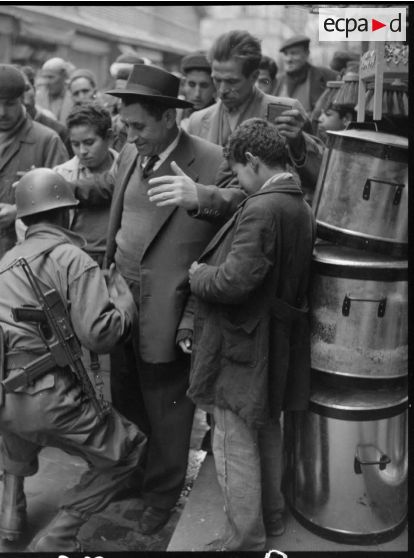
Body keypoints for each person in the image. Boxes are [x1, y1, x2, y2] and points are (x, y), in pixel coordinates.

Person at [0, 168, 146, 552]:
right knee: (129, 450)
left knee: (19, 430)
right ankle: (59, 535)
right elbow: (99, 336)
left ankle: (10, 512)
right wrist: (124, 304)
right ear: (67, 214)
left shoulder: (8, 259)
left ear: (24, 217)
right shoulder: (73, 257)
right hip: (46, 400)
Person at [104, 64, 235, 535]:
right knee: (126, 393)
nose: (130, 134)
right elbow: (118, 212)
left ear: (167, 119)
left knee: (169, 407)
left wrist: (200, 194)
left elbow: (248, 200)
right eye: (126, 126)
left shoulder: (211, 158)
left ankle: (161, 496)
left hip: (171, 309)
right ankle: (139, 472)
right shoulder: (129, 154)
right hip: (120, 299)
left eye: (139, 126)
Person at [187, 118, 315, 551]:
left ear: (254, 161)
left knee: (232, 440)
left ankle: (243, 539)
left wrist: (199, 275)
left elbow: (234, 282)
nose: (239, 183)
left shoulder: (263, 207)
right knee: (266, 428)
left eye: (240, 172)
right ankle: (273, 516)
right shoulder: (298, 202)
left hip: (243, 344)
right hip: (273, 340)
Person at [0, 64, 68, 321]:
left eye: (9, 104)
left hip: (35, 263)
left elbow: (65, 202)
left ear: (22, 100)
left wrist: (19, 212)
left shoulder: (47, 141)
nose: (1, 112)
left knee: (31, 337)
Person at [186, 30, 324, 205]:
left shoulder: (287, 113)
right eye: (217, 80)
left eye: (231, 81)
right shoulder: (197, 121)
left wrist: (299, 144)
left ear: (254, 77)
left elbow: (319, 180)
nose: (221, 90)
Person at [53, 103, 116, 266]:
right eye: (75, 144)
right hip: (74, 261)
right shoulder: (60, 175)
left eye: (89, 142)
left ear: (109, 137)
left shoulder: (127, 170)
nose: (82, 151)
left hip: (116, 261)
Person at [273, 35, 338, 115]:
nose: (288, 59)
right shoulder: (278, 81)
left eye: (294, 53)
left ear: (307, 54)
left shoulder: (326, 76)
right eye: (286, 54)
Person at [179, 51, 216, 129]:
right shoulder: (175, 114)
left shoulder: (221, 119)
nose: (197, 94)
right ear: (183, 84)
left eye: (204, 86)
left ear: (215, 87)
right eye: (192, 85)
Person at [36, 57, 75, 124]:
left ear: (64, 76)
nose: (46, 82)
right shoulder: (37, 98)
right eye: (45, 77)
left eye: (50, 77)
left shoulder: (75, 97)